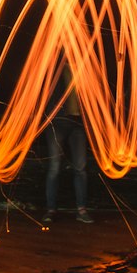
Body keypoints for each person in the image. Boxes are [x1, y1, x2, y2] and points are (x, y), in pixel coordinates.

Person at [42, 63, 94, 224]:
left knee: (80, 168)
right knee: (54, 168)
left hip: (78, 123)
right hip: (57, 123)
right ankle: (51, 210)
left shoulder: (82, 66)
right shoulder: (54, 67)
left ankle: (81, 210)